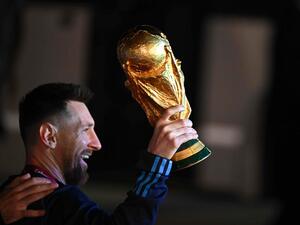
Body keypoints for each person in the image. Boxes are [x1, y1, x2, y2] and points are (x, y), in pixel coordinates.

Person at [0, 82, 198, 225]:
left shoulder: (8, 196)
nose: (97, 144)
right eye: (85, 130)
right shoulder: (60, 200)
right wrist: (156, 164)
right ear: (49, 136)